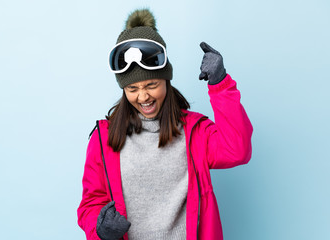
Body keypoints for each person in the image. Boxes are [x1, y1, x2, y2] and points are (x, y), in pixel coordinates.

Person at [77, 8, 253, 240]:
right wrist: (99, 227)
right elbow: (90, 204)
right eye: (132, 89)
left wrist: (220, 85)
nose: (143, 97)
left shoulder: (194, 132)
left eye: (151, 85)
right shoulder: (104, 138)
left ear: (166, 80)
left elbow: (237, 150)